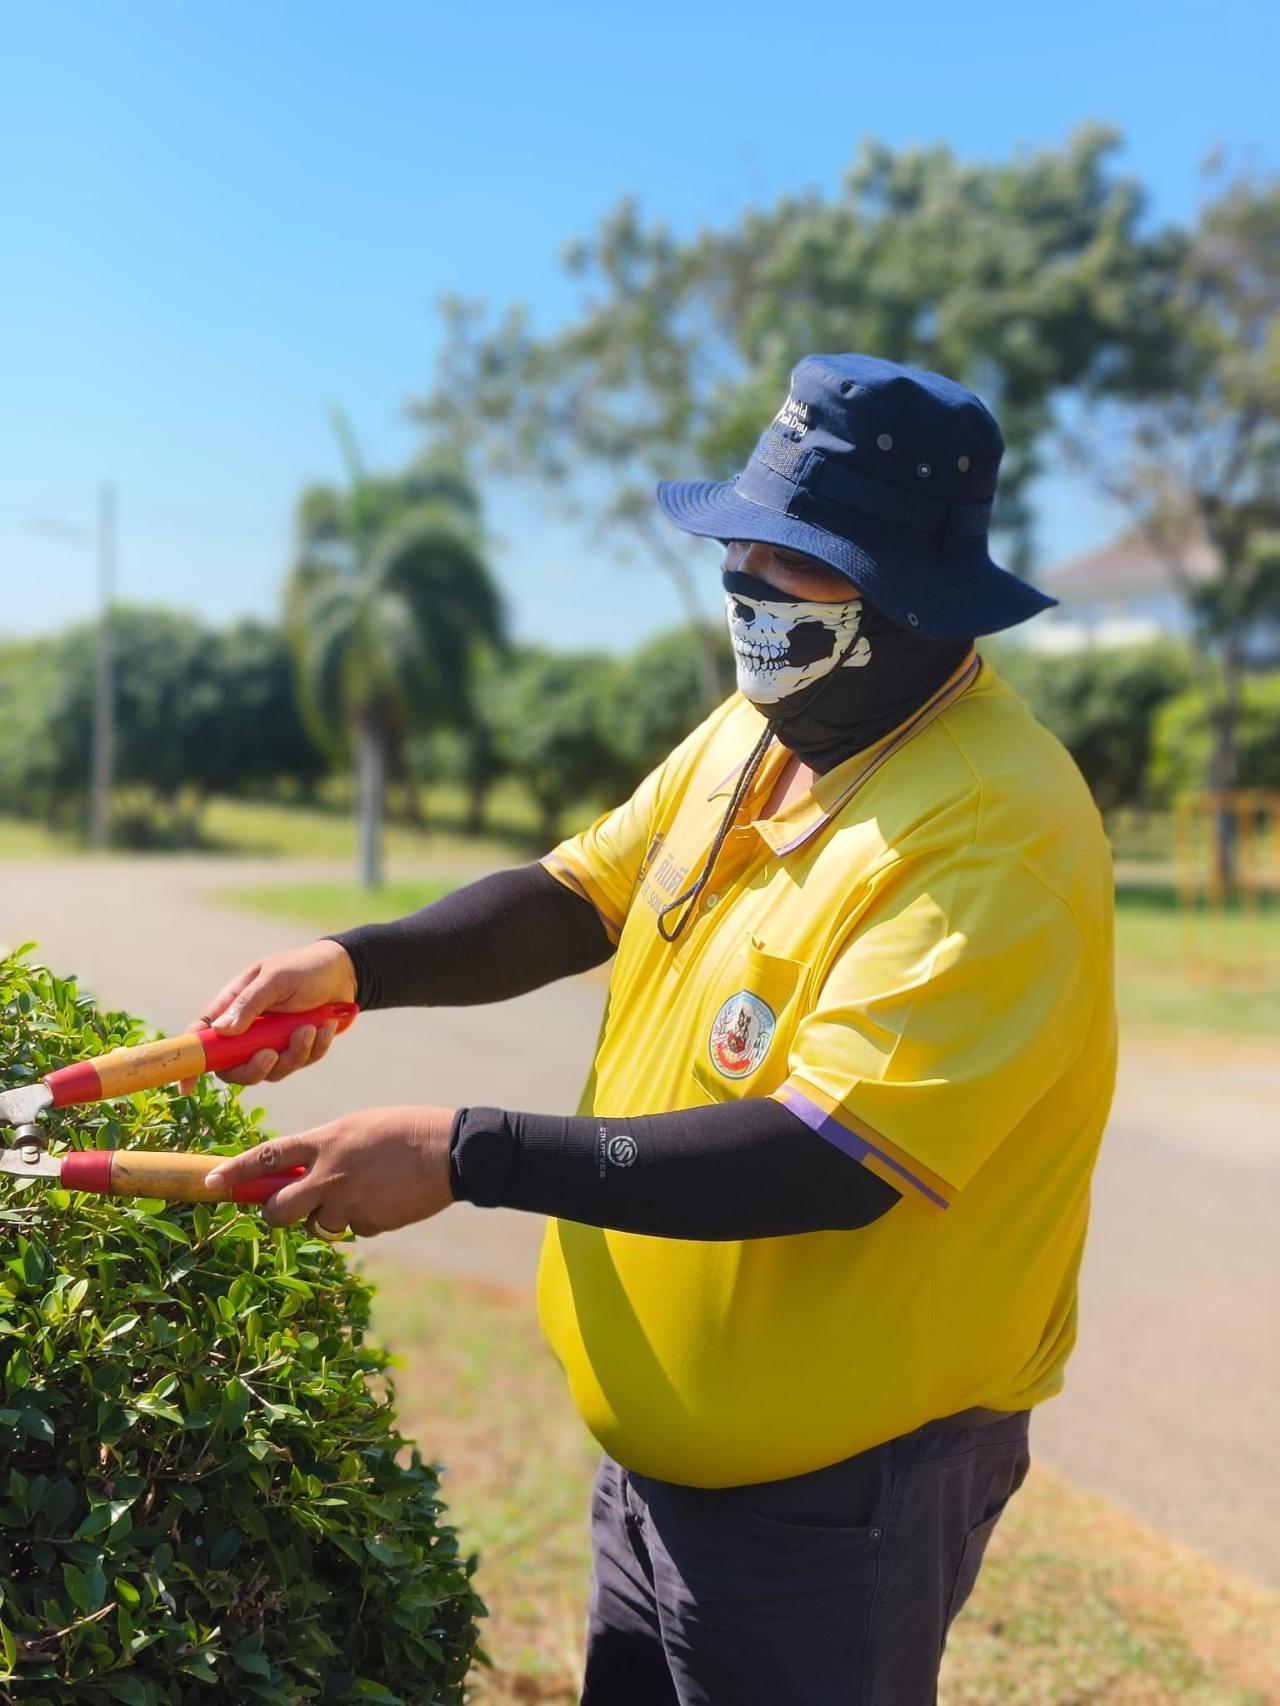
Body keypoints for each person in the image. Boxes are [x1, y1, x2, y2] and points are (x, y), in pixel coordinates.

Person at [197, 353, 1117, 1705]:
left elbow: (827, 1155)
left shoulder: (991, 829)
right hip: (660, 1474)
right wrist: (355, 963)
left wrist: (466, 1152)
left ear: (907, 588)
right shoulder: (768, 727)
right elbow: (581, 893)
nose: (743, 577)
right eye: (739, 540)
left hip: (837, 1509)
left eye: (787, 557)